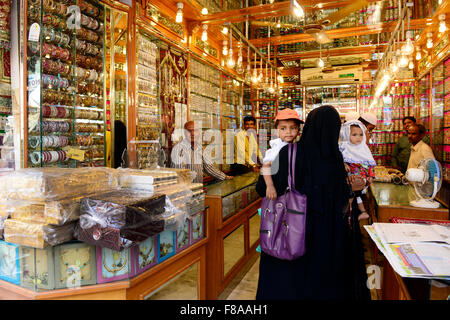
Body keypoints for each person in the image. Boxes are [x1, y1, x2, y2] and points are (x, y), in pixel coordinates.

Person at [255, 105, 370, 300]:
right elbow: (341, 198)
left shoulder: (289, 153)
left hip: (292, 231)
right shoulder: (335, 159)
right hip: (327, 238)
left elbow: (262, 189)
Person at [339, 120, 376, 221]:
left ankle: (349, 210)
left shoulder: (364, 148)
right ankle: (361, 211)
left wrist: (371, 176)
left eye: (360, 134)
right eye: (354, 135)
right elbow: (339, 159)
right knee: (354, 194)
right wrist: (343, 164)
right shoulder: (344, 146)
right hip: (350, 176)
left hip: (361, 176)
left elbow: (370, 165)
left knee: (353, 192)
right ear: (346, 134)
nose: (358, 137)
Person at [262, 108, 303, 200]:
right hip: (278, 192)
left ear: (298, 130)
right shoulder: (277, 147)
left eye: (293, 128)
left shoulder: (293, 146)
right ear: (277, 131)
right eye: (283, 128)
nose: (288, 132)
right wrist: (270, 186)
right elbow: (265, 166)